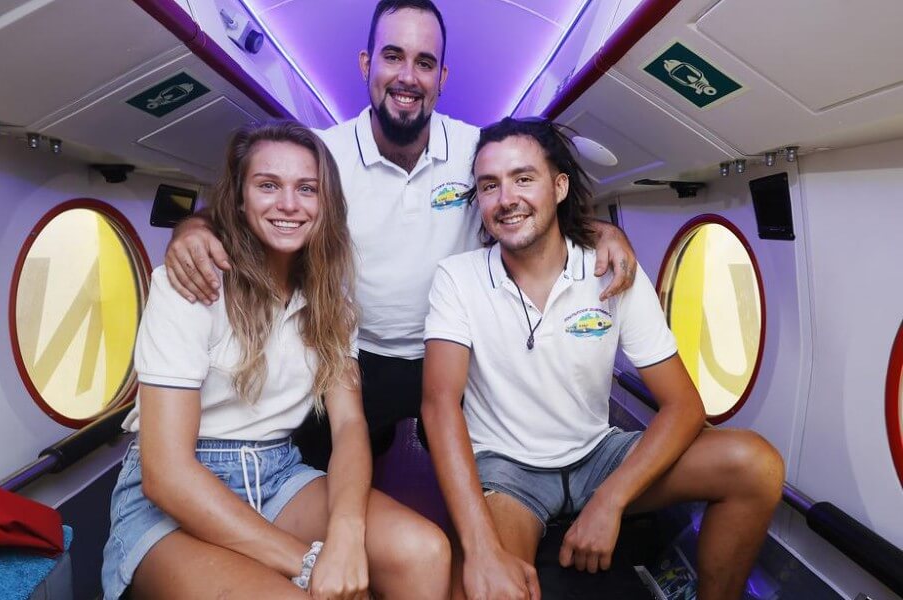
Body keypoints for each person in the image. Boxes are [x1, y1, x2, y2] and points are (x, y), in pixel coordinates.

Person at [164, 0, 640, 468]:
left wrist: (598, 231)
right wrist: (192, 227)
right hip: (357, 353)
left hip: (461, 351)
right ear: (367, 64)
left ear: (442, 79)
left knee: (488, 473)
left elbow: (531, 208)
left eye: (425, 63)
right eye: (393, 56)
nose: (408, 76)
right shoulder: (323, 156)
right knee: (321, 464)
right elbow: (246, 212)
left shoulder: (477, 152)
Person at [421, 117, 785, 600]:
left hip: (598, 456)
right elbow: (439, 405)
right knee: (484, 589)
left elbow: (684, 406)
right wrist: (482, 549)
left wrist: (610, 502)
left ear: (559, 186)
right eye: (490, 186)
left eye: (523, 178)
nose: (506, 199)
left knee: (756, 466)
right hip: (507, 470)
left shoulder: (611, 270)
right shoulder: (457, 278)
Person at [101, 120, 450, 600]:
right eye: (268, 185)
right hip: (180, 492)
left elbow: (349, 427)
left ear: (325, 204)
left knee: (425, 551)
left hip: (279, 474)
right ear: (240, 199)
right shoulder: (190, 285)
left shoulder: (333, 304)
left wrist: (347, 535)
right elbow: (167, 476)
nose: (289, 204)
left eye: (307, 189)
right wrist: (309, 564)